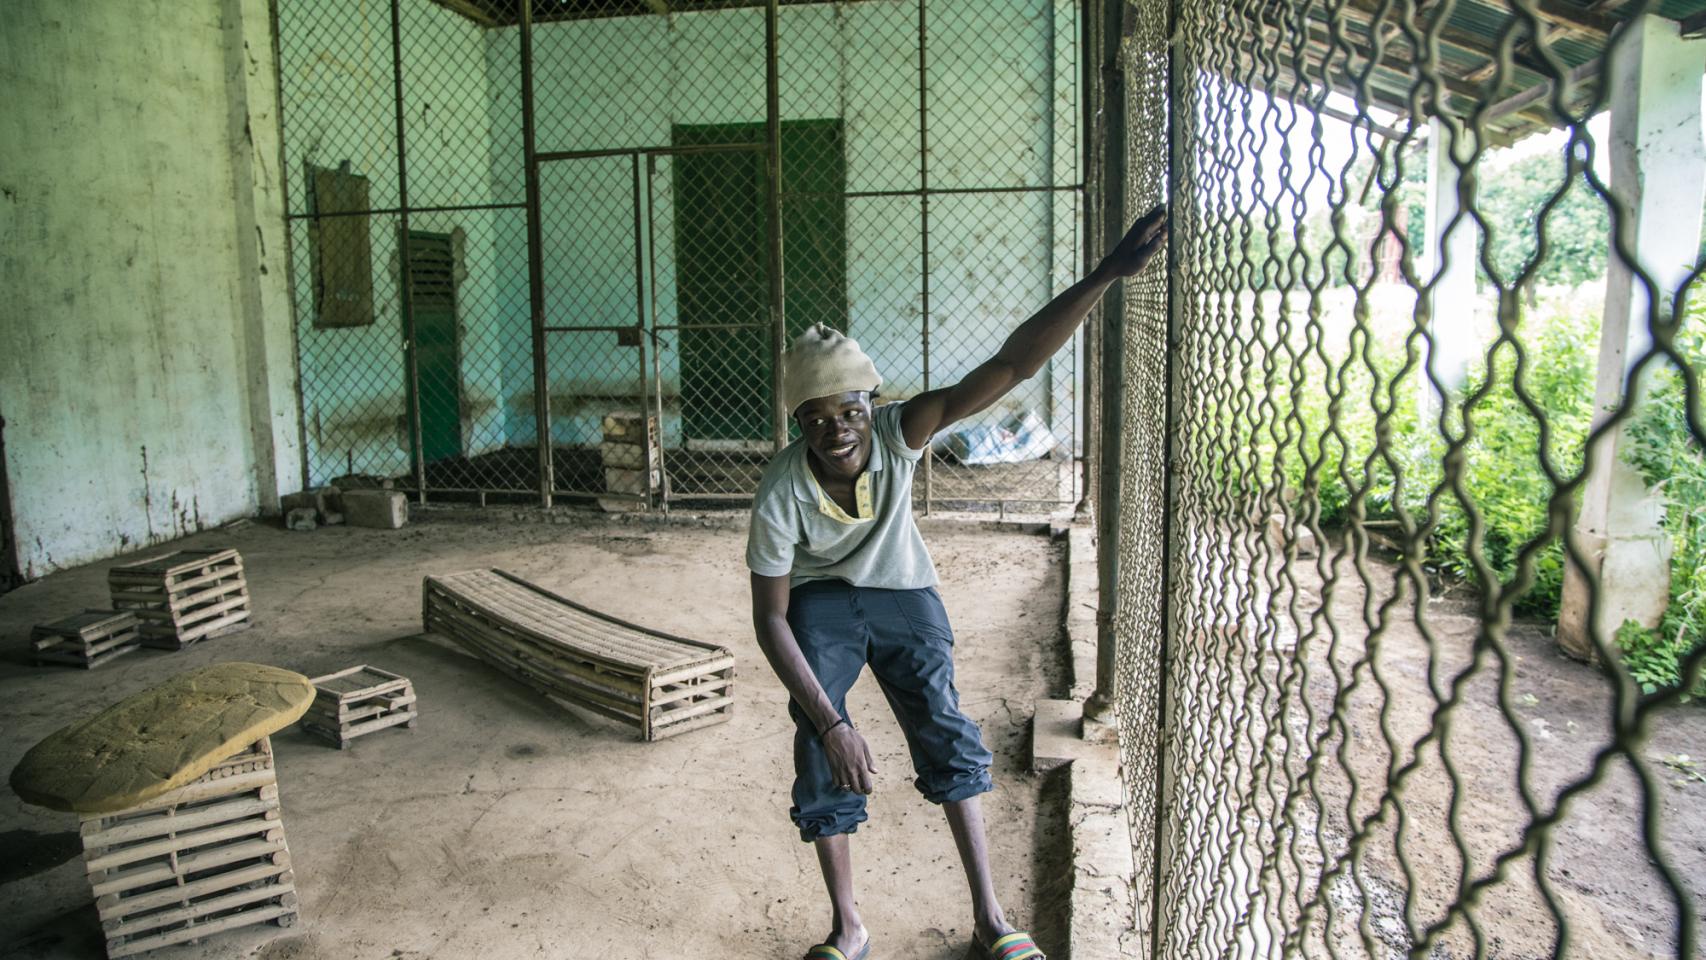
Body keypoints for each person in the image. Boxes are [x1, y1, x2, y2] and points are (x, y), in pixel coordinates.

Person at [746, 206, 1168, 960]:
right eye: (814, 418)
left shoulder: (901, 432)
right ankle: (848, 928)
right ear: (797, 425)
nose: (836, 430)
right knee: (818, 744)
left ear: (870, 406)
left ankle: (991, 919)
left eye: (848, 410)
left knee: (945, 729)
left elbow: (1012, 366)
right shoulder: (781, 487)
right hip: (817, 602)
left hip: (902, 588)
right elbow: (771, 618)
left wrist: (1105, 276)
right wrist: (832, 721)